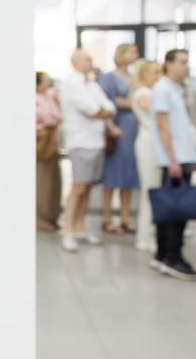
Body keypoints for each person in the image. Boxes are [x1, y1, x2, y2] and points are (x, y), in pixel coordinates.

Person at [58, 48, 119, 252]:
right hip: (80, 142)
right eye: (87, 59)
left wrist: (101, 111)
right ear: (75, 63)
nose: (91, 62)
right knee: (79, 188)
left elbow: (110, 107)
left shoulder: (92, 84)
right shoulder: (71, 84)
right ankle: (68, 231)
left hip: (96, 142)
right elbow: (92, 109)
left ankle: (79, 229)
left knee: (88, 188)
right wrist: (101, 111)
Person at [150, 48, 196, 281]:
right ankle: (173, 257)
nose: (186, 66)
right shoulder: (162, 89)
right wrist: (172, 158)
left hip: (182, 155)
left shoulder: (175, 89)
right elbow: (163, 126)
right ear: (168, 64)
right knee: (177, 211)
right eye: (182, 62)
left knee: (172, 208)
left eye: (187, 62)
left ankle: (162, 254)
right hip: (177, 159)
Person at [98, 43, 140, 234]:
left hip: (133, 130)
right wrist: (111, 127)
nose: (135, 54)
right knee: (112, 175)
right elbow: (104, 104)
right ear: (121, 55)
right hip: (117, 130)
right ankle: (106, 218)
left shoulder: (134, 77)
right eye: (132, 51)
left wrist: (128, 103)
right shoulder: (108, 77)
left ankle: (125, 217)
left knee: (128, 173)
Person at [129, 58, 163, 252]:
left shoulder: (151, 92)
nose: (160, 76)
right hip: (149, 143)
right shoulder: (144, 94)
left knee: (153, 190)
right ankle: (146, 237)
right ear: (145, 75)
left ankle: (150, 235)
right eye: (156, 72)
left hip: (152, 142)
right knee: (150, 190)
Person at [35, 71, 63, 232]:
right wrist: (55, 118)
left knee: (54, 183)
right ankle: (41, 219)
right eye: (45, 80)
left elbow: (56, 116)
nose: (49, 82)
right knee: (43, 183)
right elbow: (50, 119)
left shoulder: (49, 96)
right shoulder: (36, 99)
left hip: (53, 145)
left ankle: (52, 216)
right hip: (43, 146)